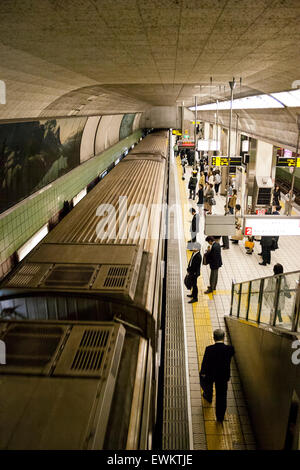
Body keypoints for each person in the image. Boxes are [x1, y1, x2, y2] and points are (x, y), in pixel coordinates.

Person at [200, 329, 235, 422]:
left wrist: (203, 372)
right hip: (223, 377)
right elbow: (231, 353)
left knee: (206, 382)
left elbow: (204, 363)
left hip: (211, 375)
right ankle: (220, 417)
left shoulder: (209, 349)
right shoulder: (229, 349)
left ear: (214, 337)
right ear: (224, 337)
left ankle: (208, 395)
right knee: (222, 396)